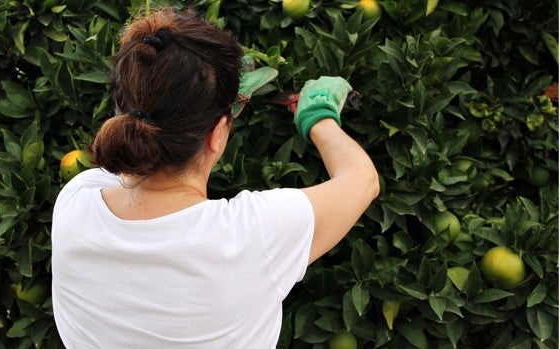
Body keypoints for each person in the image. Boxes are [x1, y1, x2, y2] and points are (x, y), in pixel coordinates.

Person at [51, 7, 379, 349]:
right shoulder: (251, 236)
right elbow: (362, 181)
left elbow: (133, 136)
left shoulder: (76, 201)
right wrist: (318, 113)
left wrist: (202, 95)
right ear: (218, 133)